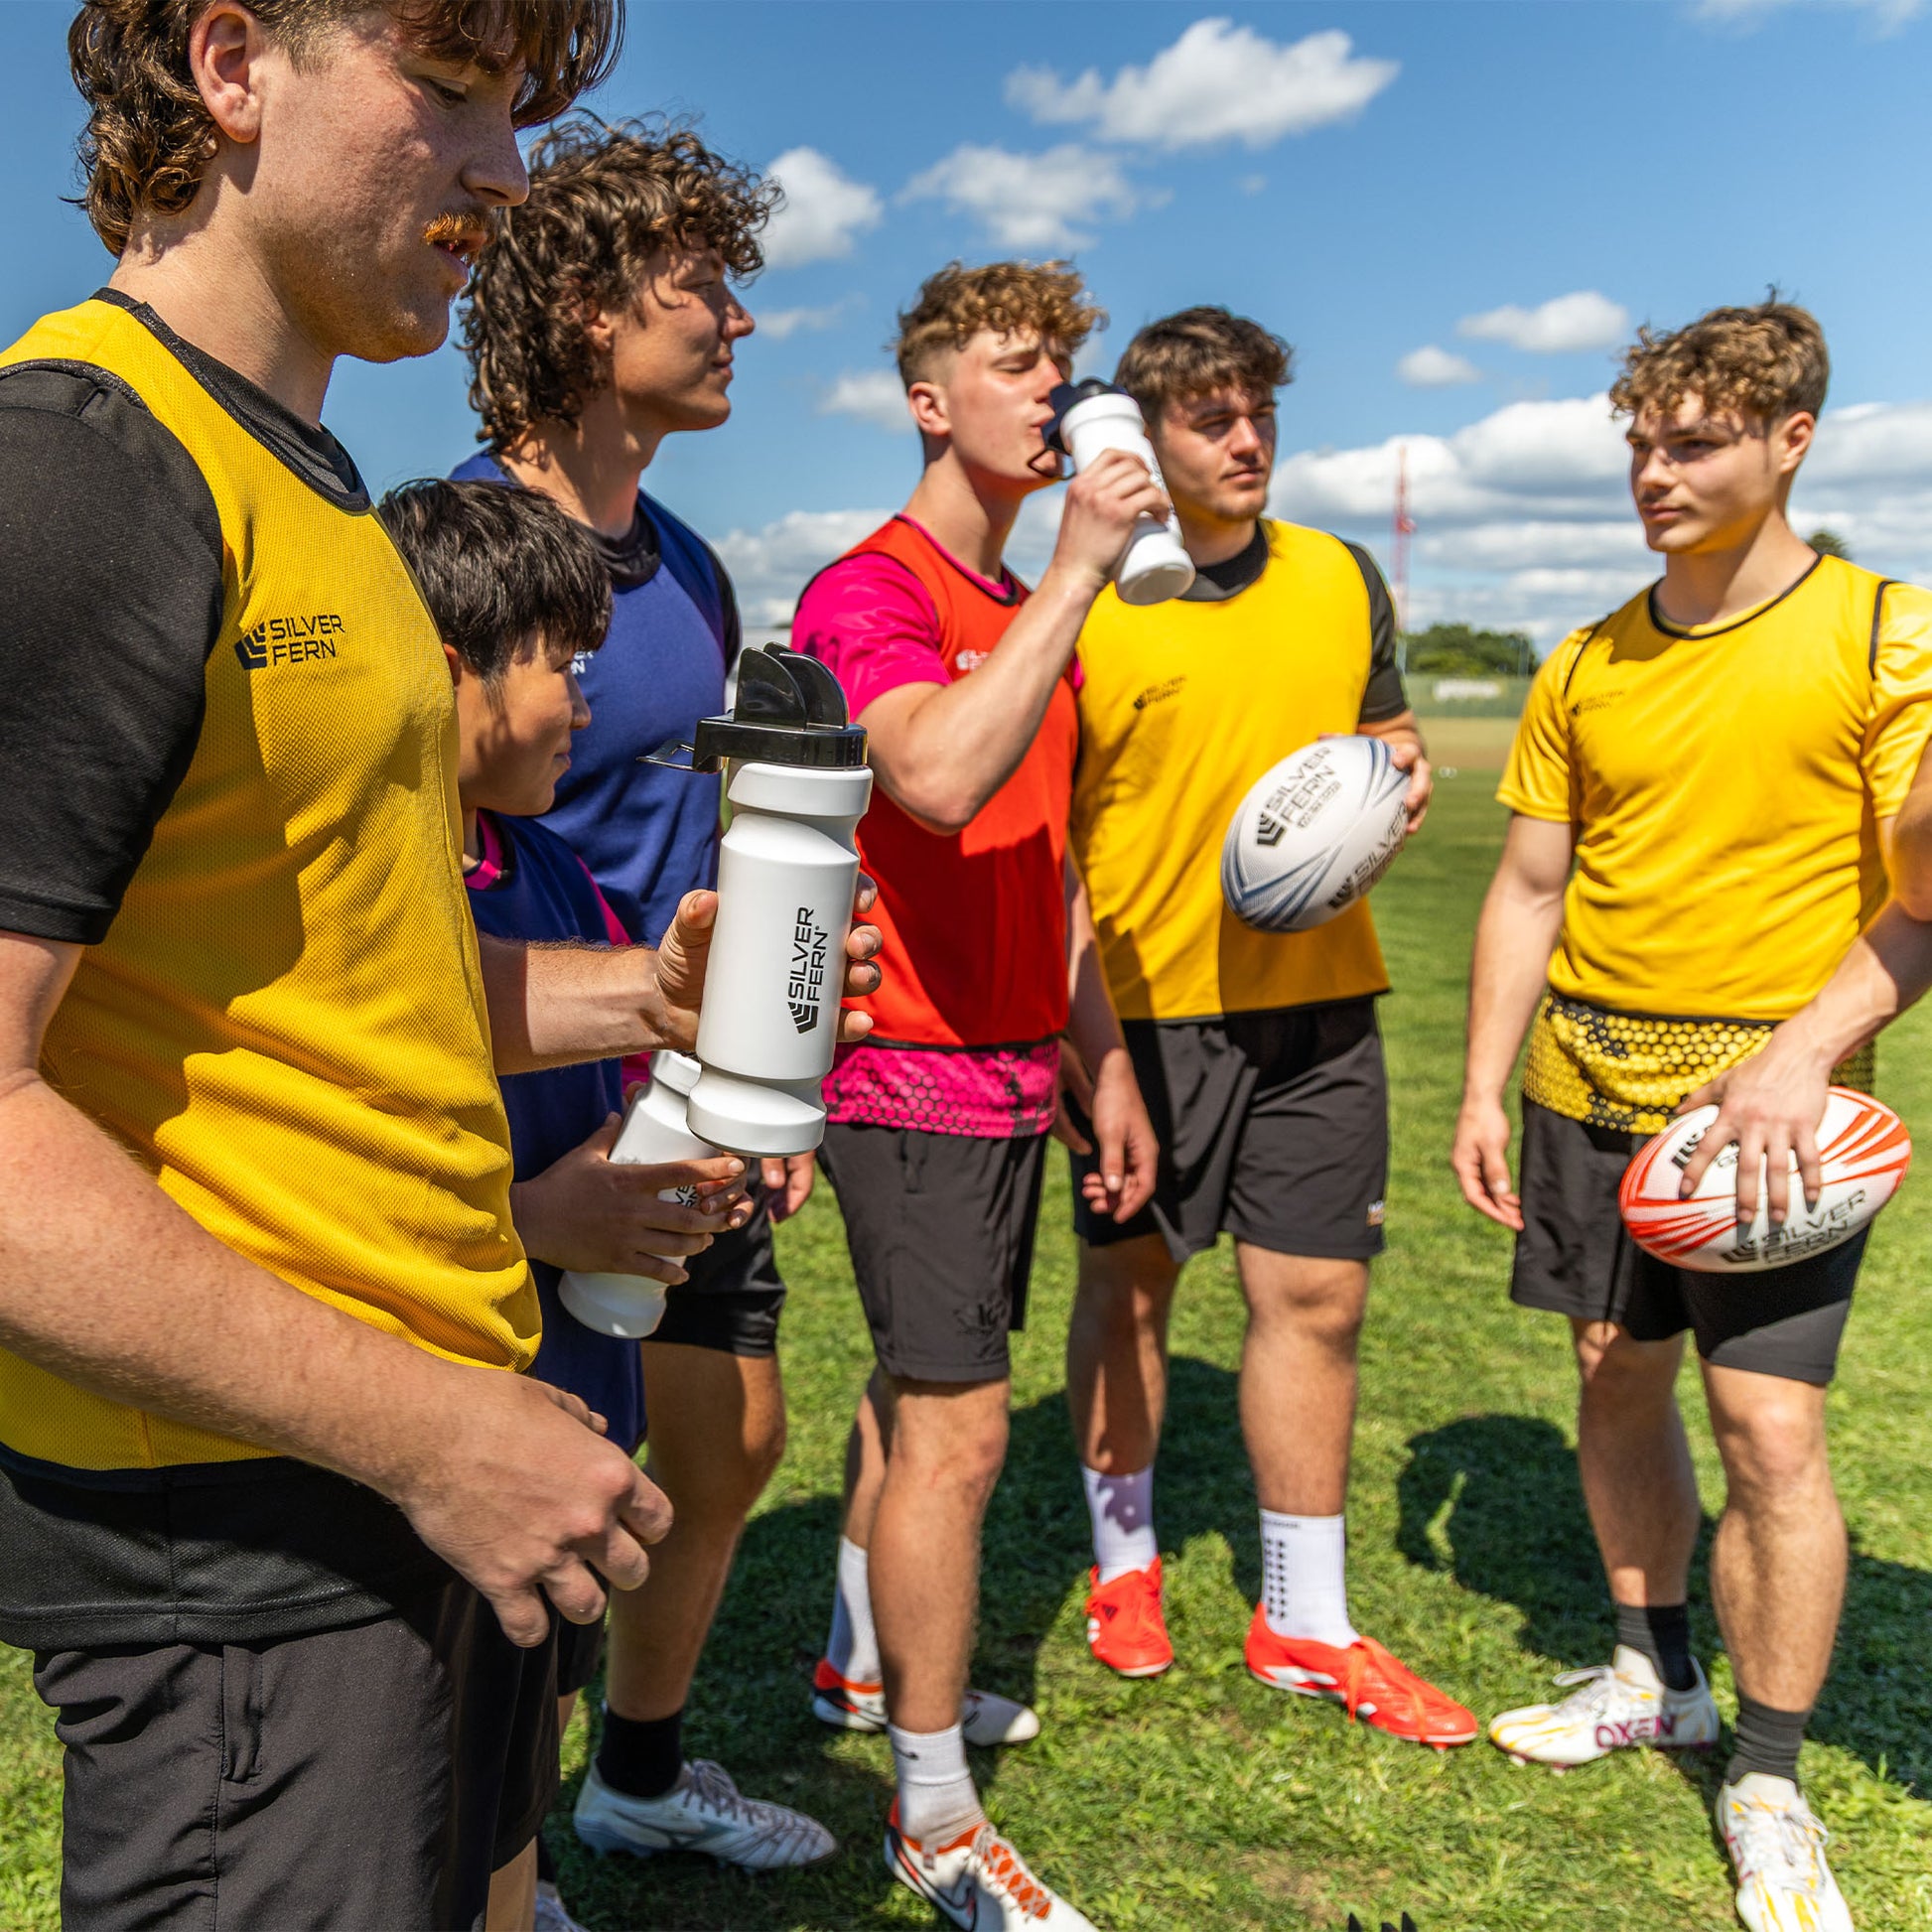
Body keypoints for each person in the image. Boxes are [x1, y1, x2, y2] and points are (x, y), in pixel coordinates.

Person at [0, 8, 881, 1928]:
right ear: (231, 68)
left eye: (522, 107)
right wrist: (424, 1430)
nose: (504, 169)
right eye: (454, 91)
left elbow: (337, 968)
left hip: (407, 1455)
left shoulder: (303, 471)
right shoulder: (78, 468)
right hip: (251, 1519)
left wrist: (655, 996)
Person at [1451, 299, 1932, 1932]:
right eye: (1638, 444)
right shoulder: (1584, 655)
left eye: (1694, 441)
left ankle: (1769, 1772)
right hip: (1583, 1081)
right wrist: (1475, 1080)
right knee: (1611, 1375)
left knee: (1771, 1434)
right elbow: (1528, 883)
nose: (1652, 473)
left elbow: (1923, 901)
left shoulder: (1887, 634)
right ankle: (1653, 1675)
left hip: (1769, 1114)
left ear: (1790, 438)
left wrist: (1806, 1047)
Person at [454, 115, 839, 1875]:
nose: (738, 320)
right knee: (528, 1504)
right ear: (585, 309)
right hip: (522, 1114)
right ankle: (494, 1858)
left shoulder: (686, 560)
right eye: (703, 283)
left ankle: (640, 1775)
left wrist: (774, 1086)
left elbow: (741, 837)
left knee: (733, 1434)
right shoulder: (467, 557)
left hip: (697, 1104)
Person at [378, 476, 807, 1929]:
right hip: (441, 1430)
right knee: (417, 1758)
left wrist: (682, 1160)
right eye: (563, 661)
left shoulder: (560, 870)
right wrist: (534, 1222)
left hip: (573, 1395)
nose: (585, 700)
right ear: (442, 671)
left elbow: (630, 1073)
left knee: (526, 1703)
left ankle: (526, 1874)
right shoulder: (375, 898)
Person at [791, 259, 1163, 1932]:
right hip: (906, 1070)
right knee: (957, 1426)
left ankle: (861, 1675)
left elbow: (1048, 863)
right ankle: (932, 1817)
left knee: (908, 1397)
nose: (1055, 390)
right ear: (931, 401)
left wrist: (1101, 1058)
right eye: (1021, 365)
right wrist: (1076, 575)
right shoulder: (868, 586)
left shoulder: (1030, 607)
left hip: (1015, 1070)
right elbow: (932, 779)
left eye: (1065, 364)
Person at [1058, 306, 1476, 1749]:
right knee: (1130, 1289)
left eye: (1258, 415)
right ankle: (1124, 1566)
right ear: (1146, 437)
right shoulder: (1087, 595)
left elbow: (1392, 745)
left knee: (1319, 1300)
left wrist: (1395, 797)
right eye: (1208, 418)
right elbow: (1044, 835)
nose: (1244, 442)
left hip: (1321, 1006)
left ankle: (1302, 1612)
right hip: (1148, 1008)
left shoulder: (1341, 576)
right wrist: (1089, 1037)